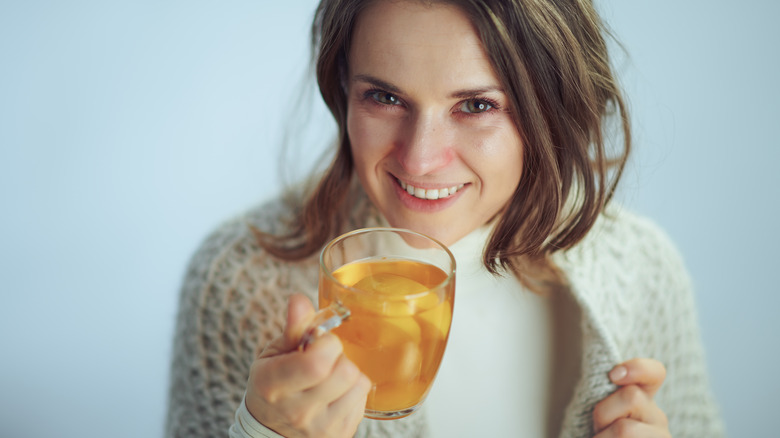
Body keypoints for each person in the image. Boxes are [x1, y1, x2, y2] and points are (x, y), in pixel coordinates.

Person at [165, 0, 725, 437]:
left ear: (553, 107)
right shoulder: (240, 279)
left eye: (477, 105)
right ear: (342, 90)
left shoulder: (644, 271)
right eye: (384, 97)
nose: (419, 158)